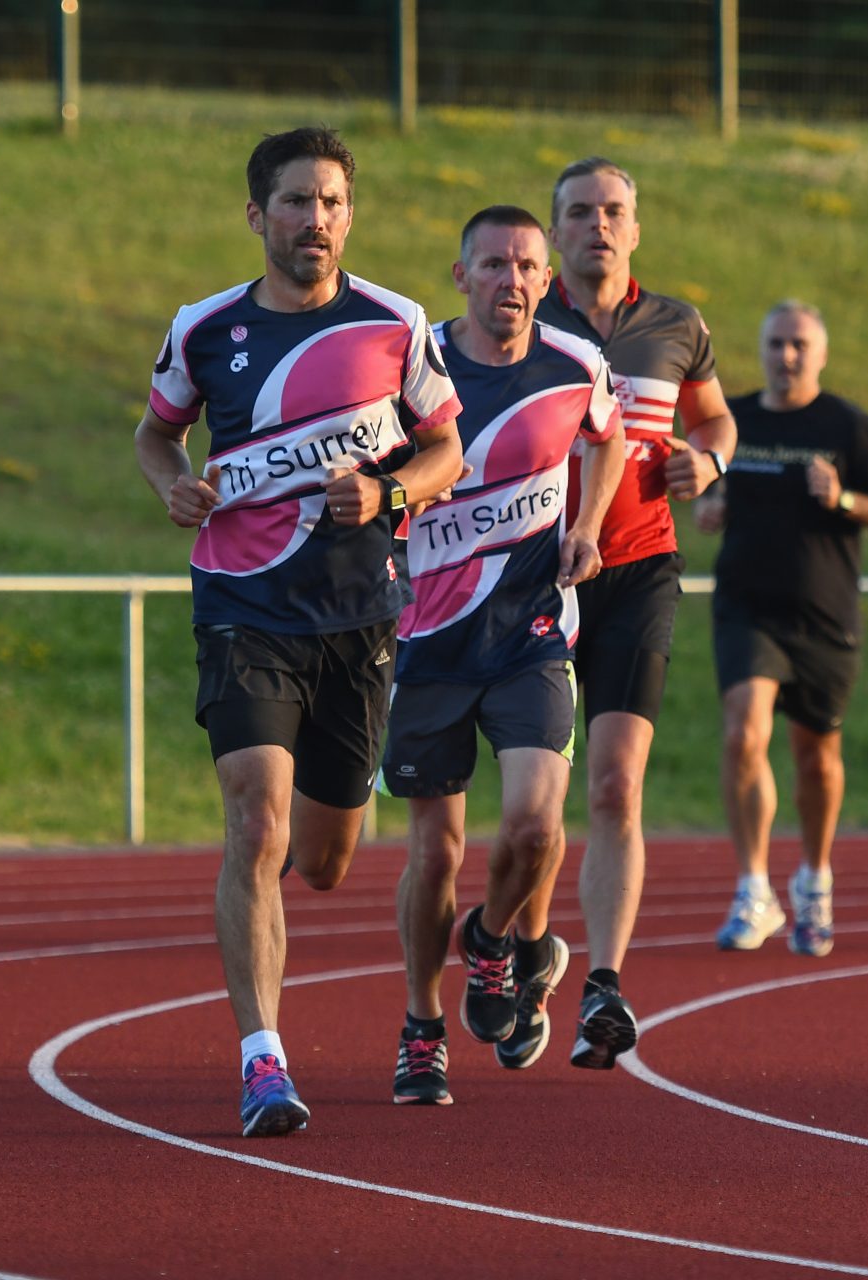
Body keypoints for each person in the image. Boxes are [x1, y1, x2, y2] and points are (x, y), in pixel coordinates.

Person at [132, 126, 466, 1136]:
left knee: (322, 859)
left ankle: (266, 894)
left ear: (348, 217)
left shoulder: (397, 323)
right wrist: (172, 487)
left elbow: (447, 448)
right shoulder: (204, 328)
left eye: (330, 202)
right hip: (242, 606)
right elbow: (156, 434)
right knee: (256, 820)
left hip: (357, 617)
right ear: (256, 216)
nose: (314, 219)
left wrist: (391, 492)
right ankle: (263, 1061)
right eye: (294, 201)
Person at [380, 205, 624, 1104]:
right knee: (436, 853)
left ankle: (490, 942)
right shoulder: (413, 372)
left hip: (531, 636)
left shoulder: (576, 364)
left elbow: (610, 435)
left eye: (526, 266)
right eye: (493, 265)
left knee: (534, 828)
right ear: (462, 277)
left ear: (544, 279)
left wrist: (587, 526)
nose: (512, 281)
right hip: (428, 644)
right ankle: (421, 1028)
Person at [534, 157, 736, 1068]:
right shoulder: (524, 322)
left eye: (614, 211)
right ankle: (525, 949)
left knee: (616, 785)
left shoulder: (677, 324)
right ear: (555, 233)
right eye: (580, 212)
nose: (599, 226)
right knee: (537, 799)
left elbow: (716, 421)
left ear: (637, 229)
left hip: (641, 569)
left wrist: (711, 460)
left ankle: (604, 984)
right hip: (533, 574)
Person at [693, 301, 868, 956]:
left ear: (820, 355)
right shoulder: (734, 419)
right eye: (776, 343)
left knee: (817, 759)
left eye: (799, 345)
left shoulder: (846, 425)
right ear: (760, 349)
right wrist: (710, 503)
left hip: (824, 616)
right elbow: (701, 482)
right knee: (744, 732)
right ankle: (753, 888)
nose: (786, 356)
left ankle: (814, 880)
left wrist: (844, 498)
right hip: (747, 608)